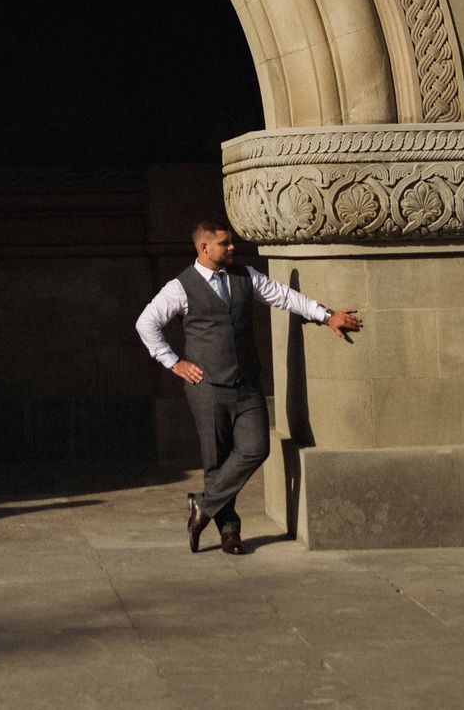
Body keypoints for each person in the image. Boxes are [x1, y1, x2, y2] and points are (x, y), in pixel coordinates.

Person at [134, 219, 361, 555]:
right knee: (216, 460)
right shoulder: (180, 287)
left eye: (230, 243)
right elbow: (146, 322)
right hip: (207, 386)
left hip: (246, 384)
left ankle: (203, 504)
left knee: (256, 448)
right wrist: (173, 362)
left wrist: (325, 315)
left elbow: (283, 296)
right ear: (204, 247)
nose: (232, 248)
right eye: (225, 243)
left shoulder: (244, 276)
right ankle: (230, 532)